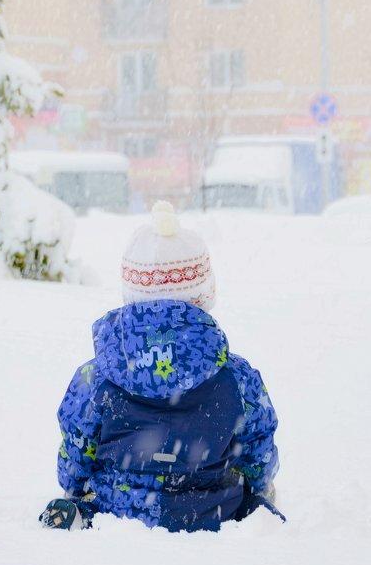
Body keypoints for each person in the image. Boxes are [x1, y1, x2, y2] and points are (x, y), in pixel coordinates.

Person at [40, 201, 282, 532]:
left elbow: (76, 443)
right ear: (202, 294)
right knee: (254, 505)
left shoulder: (96, 376)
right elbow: (258, 446)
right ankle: (257, 518)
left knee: (89, 498)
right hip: (209, 509)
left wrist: (73, 484)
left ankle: (79, 514)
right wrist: (259, 485)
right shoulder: (236, 377)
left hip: (116, 509)